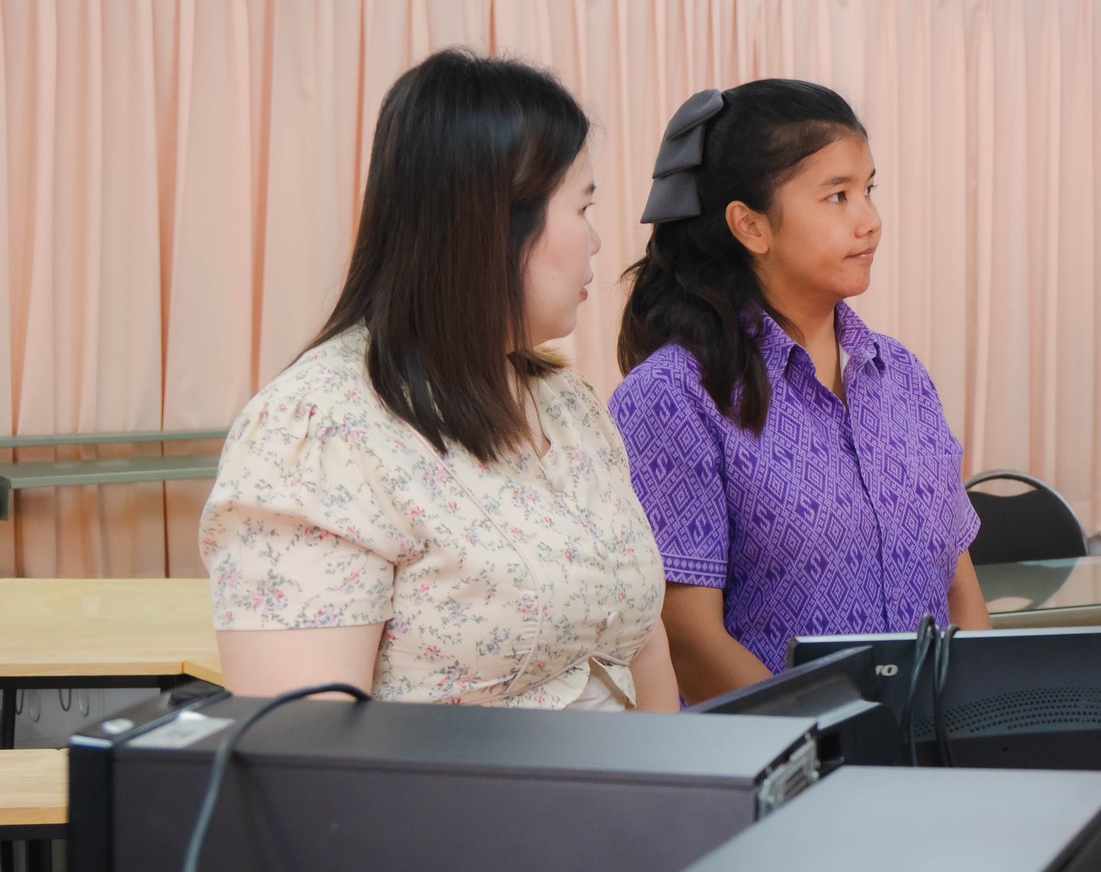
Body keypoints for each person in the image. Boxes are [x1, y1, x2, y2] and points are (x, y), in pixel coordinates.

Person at [200, 50, 678, 710]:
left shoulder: (566, 401)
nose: (597, 242)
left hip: (631, 803)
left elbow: (640, 643)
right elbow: (306, 762)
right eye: (582, 209)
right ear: (494, 224)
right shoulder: (323, 430)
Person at [610, 79, 989, 704]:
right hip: (780, 777)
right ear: (750, 225)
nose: (870, 220)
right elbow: (686, 638)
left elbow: (960, 591)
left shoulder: (903, 377)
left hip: (931, 771)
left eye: (867, 190)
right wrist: (842, 751)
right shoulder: (674, 396)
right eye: (837, 196)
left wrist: (982, 727)